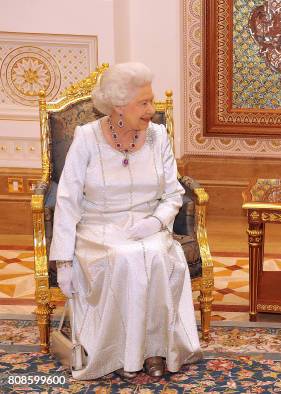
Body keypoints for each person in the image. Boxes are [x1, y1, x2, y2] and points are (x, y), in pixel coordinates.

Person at [49, 62, 202, 380]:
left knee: (159, 255)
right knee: (126, 257)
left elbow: (174, 194)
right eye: (143, 103)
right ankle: (122, 352)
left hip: (149, 225)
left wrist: (157, 223)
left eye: (152, 100)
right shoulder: (87, 138)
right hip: (99, 228)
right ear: (119, 106)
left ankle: (157, 349)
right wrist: (63, 261)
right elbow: (67, 198)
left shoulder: (158, 137)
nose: (152, 109)